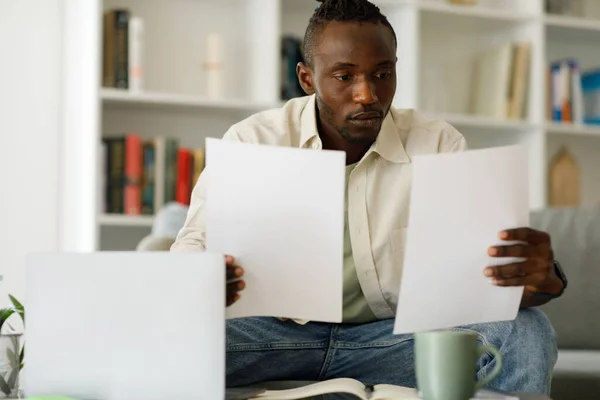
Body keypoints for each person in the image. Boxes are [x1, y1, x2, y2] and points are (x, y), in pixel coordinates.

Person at [171, 0, 566, 395]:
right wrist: (201, 280)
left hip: (392, 340)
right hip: (271, 334)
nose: (368, 94)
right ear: (307, 78)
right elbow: (192, 246)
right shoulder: (254, 141)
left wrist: (538, 278)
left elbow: (487, 276)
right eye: (344, 76)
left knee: (525, 331)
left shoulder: (438, 144)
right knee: (165, 333)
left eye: (382, 73)